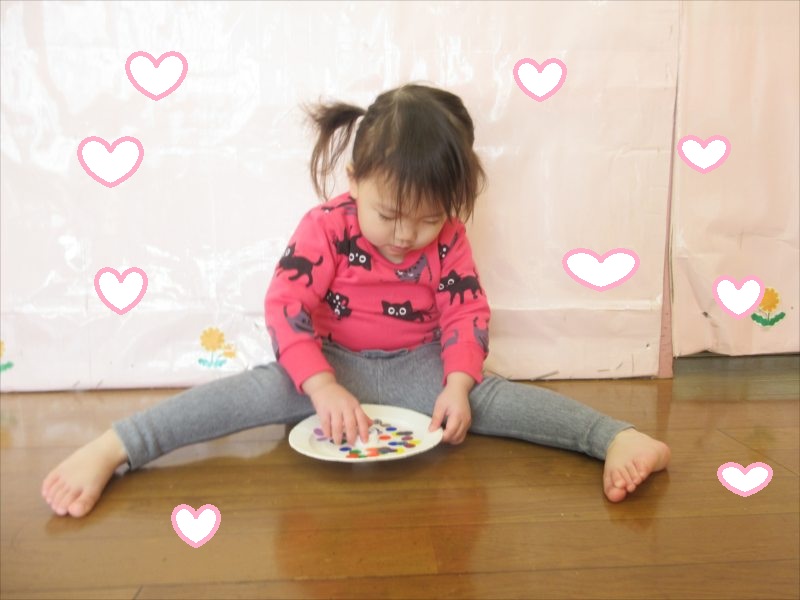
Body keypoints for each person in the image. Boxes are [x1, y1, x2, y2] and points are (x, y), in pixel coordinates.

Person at [42, 83, 670, 518]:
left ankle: (613, 437)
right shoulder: (327, 226)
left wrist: (456, 385)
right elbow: (286, 306)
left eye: (427, 219)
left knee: (493, 399)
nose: (406, 235)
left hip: (420, 367)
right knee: (245, 396)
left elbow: (465, 314)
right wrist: (319, 386)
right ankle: (118, 446)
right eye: (389, 214)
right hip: (330, 365)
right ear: (354, 180)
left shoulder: (450, 238)